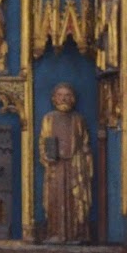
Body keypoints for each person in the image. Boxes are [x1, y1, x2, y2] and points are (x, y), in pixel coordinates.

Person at [40, 84, 92, 243]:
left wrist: (84, 156)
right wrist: (47, 156)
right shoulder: (49, 118)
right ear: (54, 98)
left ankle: (77, 234)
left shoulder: (78, 119)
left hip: (75, 167)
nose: (64, 98)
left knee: (75, 200)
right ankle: (55, 233)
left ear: (73, 99)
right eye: (60, 95)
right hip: (55, 167)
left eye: (68, 95)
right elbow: (43, 142)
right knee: (54, 199)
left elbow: (85, 142)